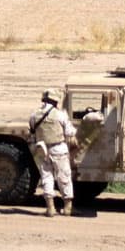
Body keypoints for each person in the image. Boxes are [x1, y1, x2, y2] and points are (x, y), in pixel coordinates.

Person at [29, 88, 78, 217]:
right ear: (55, 101)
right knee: (64, 177)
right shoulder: (60, 115)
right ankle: (68, 208)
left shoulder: (34, 115)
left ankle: (50, 208)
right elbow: (69, 132)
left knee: (46, 178)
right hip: (58, 149)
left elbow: (32, 132)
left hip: (42, 150)